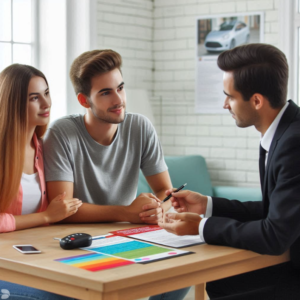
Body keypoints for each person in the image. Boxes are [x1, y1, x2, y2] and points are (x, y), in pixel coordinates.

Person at [43, 49, 190, 300]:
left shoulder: (140, 126)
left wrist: (157, 208)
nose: (118, 99)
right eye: (105, 92)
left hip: (126, 234)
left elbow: (166, 192)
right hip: (80, 242)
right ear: (83, 100)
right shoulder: (62, 132)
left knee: (182, 271)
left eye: (120, 88)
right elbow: (62, 208)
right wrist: (126, 213)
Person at [159, 43, 300, 299]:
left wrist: (201, 227)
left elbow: (275, 235)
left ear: (257, 100)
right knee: (220, 283)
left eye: (230, 96)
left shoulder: (293, 143)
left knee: (224, 284)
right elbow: (276, 212)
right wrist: (208, 205)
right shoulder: (283, 131)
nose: (225, 105)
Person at [0, 64, 82, 299]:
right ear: (12, 102)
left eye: (46, 93)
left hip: (33, 257)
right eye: (34, 98)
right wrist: (47, 216)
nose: (46, 104)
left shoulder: (43, 148)